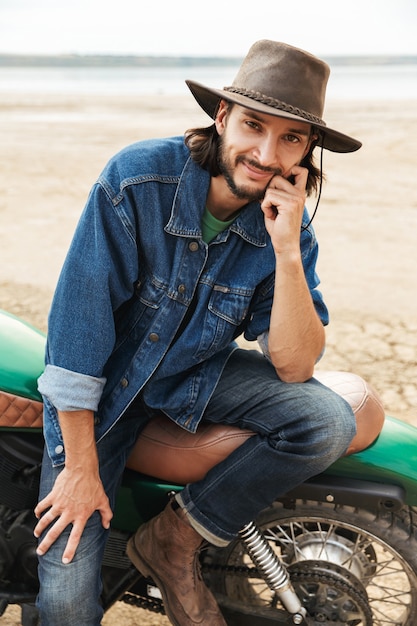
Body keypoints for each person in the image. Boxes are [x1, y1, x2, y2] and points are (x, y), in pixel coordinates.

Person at [34, 40, 367, 625]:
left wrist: (287, 250)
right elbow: (76, 336)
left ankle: (176, 538)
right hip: (102, 396)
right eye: (254, 126)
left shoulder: (288, 229)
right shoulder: (137, 181)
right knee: (66, 601)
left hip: (191, 379)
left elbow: (295, 365)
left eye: (291, 137)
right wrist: (81, 470)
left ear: (308, 148)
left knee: (326, 419)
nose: (267, 153)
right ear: (222, 118)